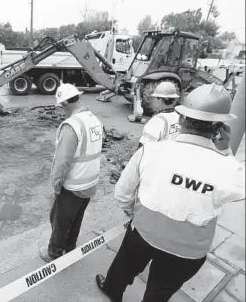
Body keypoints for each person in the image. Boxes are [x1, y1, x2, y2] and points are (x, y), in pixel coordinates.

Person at [95, 83, 245, 302]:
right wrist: (226, 151)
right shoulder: (228, 168)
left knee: (124, 268)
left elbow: (122, 193)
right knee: (159, 293)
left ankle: (112, 291)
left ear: (182, 119)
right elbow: (238, 189)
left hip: (144, 233)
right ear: (219, 128)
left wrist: (132, 213)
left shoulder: (152, 151)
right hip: (188, 249)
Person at [39, 83, 104, 262]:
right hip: (90, 183)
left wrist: (56, 185)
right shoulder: (93, 119)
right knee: (75, 220)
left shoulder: (71, 126)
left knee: (59, 221)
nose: (61, 111)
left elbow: (62, 161)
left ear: (66, 103)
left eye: (61, 106)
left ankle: (53, 253)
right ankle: (70, 248)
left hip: (74, 185)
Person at [139, 82, 233, 155]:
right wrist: (226, 149)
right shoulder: (182, 118)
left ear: (159, 99)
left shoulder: (157, 121)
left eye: (155, 98)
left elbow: (143, 148)